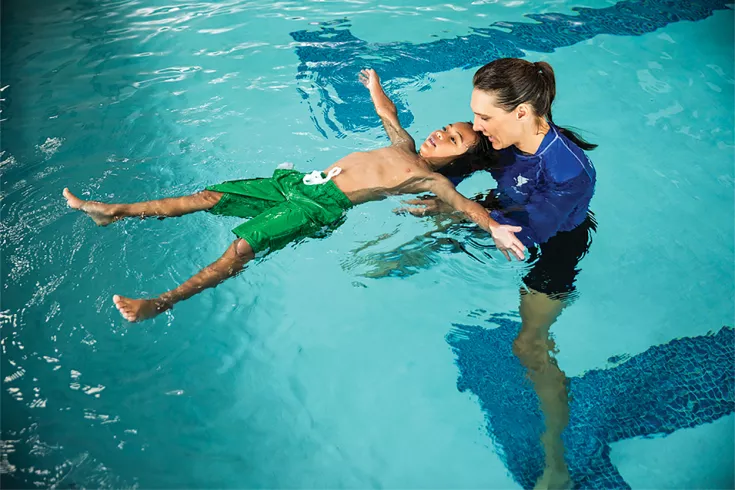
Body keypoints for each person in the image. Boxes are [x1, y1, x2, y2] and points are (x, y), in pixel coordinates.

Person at [63, 69, 526, 323]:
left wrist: (495, 227)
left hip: (319, 206)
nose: (438, 137)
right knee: (209, 196)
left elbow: (467, 206)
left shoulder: (431, 182)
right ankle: (114, 212)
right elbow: (388, 115)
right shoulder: (405, 145)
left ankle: (159, 303)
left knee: (239, 250)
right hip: (301, 182)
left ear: (458, 159)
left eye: (451, 141)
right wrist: (376, 87)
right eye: (444, 129)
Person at [397, 58, 597, 489]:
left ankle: (556, 466)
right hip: (504, 209)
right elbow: (449, 167)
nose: (477, 125)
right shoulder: (501, 138)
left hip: (555, 244)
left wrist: (461, 210)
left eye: (485, 117)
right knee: (427, 220)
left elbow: (533, 233)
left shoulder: (568, 172)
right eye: (474, 114)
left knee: (529, 346)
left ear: (522, 112)